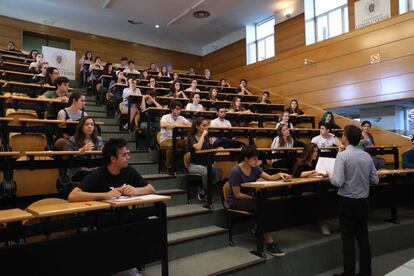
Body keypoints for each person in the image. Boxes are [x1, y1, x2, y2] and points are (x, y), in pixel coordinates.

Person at [330, 125, 379, 276]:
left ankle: (349, 272)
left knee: (348, 239)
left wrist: (329, 176)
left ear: (345, 138)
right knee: (363, 237)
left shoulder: (342, 156)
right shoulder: (366, 156)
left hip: (346, 201)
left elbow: (338, 182)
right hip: (363, 202)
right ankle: (366, 272)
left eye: (343, 135)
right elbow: (375, 180)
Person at [228, 145, 290, 256]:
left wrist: (280, 174)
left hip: (250, 199)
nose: (257, 161)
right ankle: (269, 243)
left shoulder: (255, 168)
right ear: (246, 159)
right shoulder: (236, 171)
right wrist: (254, 198)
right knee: (261, 206)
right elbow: (237, 195)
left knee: (268, 205)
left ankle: (259, 229)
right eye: (254, 159)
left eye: (257, 158)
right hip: (236, 201)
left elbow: (269, 178)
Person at [68, 137, 155, 201]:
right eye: (124, 155)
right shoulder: (97, 175)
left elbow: (151, 188)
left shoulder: (129, 170)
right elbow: (73, 196)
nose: (128, 157)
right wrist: (105, 195)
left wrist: (136, 190)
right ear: (113, 159)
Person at [292, 143, 330, 236]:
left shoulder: (314, 163)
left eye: (317, 152)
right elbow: (298, 174)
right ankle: (322, 223)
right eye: (314, 152)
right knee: (319, 197)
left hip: (314, 188)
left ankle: (323, 220)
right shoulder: (300, 162)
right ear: (308, 153)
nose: (316, 154)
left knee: (326, 193)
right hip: (303, 189)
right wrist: (312, 172)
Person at [187, 117, 220, 201]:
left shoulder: (206, 137)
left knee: (216, 170)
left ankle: (203, 191)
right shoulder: (191, 137)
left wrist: (218, 149)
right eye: (204, 125)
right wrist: (203, 135)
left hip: (206, 164)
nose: (206, 127)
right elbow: (198, 147)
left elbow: (210, 150)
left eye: (207, 125)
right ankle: (207, 192)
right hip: (194, 165)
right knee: (206, 172)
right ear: (197, 127)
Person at [65, 116, 104, 182]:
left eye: (92, 124)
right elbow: (68, 157)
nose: (90, 126)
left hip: (95, 169)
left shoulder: (98, 139)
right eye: (87, 124)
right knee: (91, 177)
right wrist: (80, 152)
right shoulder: (73, 139)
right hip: (79, 170)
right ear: (81, 127)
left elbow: (102, 155)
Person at [160, 101, 191, 174]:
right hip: (165, 139)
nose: (179, 111)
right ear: (172, 109)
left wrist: (186, 124)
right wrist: (178, 125)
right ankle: (168, 166)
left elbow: (190, 124)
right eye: (177, 109)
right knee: (172, 146)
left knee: (189, 143)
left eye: (180, 109)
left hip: (177, 139)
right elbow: (162, 124)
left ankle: (185, 164)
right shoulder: (165, 117)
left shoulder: (181, 118)